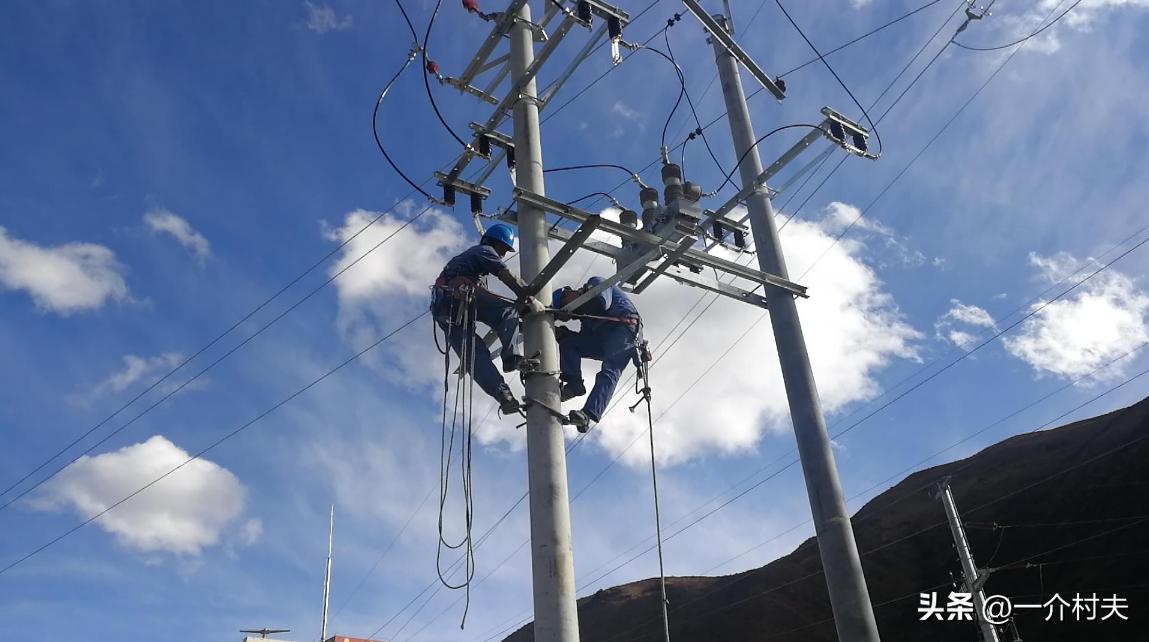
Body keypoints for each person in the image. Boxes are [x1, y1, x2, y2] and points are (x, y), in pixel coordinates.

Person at [431, 223, 529, 415]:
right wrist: (528, 295)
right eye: (503, 249)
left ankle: (503, 395)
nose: (503, 254)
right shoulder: (483, 251)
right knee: (507, 311)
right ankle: (511, 359)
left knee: (474, 356)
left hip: (445, 312)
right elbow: (505, 274)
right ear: (494, 242)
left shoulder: (467, 263)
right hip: (459, 297)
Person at [552, 276, 642, 431]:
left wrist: (577, 308)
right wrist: (562, 334)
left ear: (567, 294)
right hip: (603, 341)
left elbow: (600, 303)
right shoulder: (585, 319)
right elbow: (583, 340)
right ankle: (574, 384)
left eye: (565, 308)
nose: (571, 316)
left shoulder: (595, 283)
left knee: (610, 370)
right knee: (569, 343)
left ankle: (588, 413)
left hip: (623, 329)